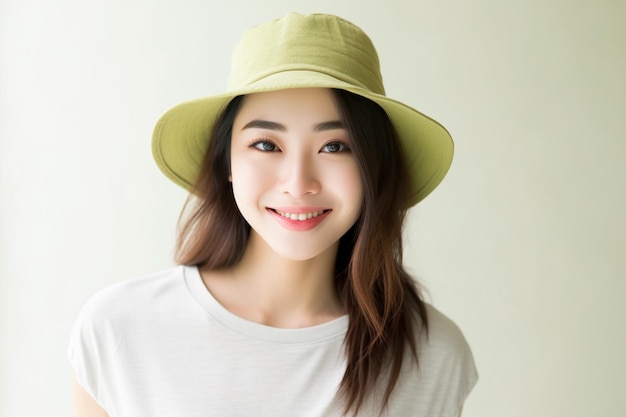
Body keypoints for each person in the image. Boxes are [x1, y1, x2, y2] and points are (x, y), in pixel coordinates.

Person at [68, 12, 477, 417]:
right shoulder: (119, 330)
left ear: (374, 166)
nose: (298, 184)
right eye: (266, 145)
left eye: (335, 146)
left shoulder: (433, 355)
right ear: (227, 162)